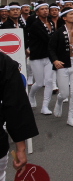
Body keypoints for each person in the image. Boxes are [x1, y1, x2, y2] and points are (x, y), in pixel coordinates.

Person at [0, 51, 39, 180]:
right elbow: (15, 105)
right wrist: (20, 148)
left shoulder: (4, 62)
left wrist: (21, 148)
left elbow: (15, 104)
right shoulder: (3, 62)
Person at [49, 6, 73, 126]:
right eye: (71, 14)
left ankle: (71, 117)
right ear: (64, 17)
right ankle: (59, 101)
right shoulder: (58, 32)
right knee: (64, 94)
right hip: (63, 65)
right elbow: (51, 48)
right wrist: (55, 60)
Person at [26, 2, 55, 115]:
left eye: (46, 8)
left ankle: (45, 106)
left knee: (49, 81)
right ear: (37, 12)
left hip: (49, 56)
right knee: (39, 83)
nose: (45, 11)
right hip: (37, 56)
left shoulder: (51, 22)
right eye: (42, 9)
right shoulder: (35, 25)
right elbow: (47, 38)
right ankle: (31, 95)